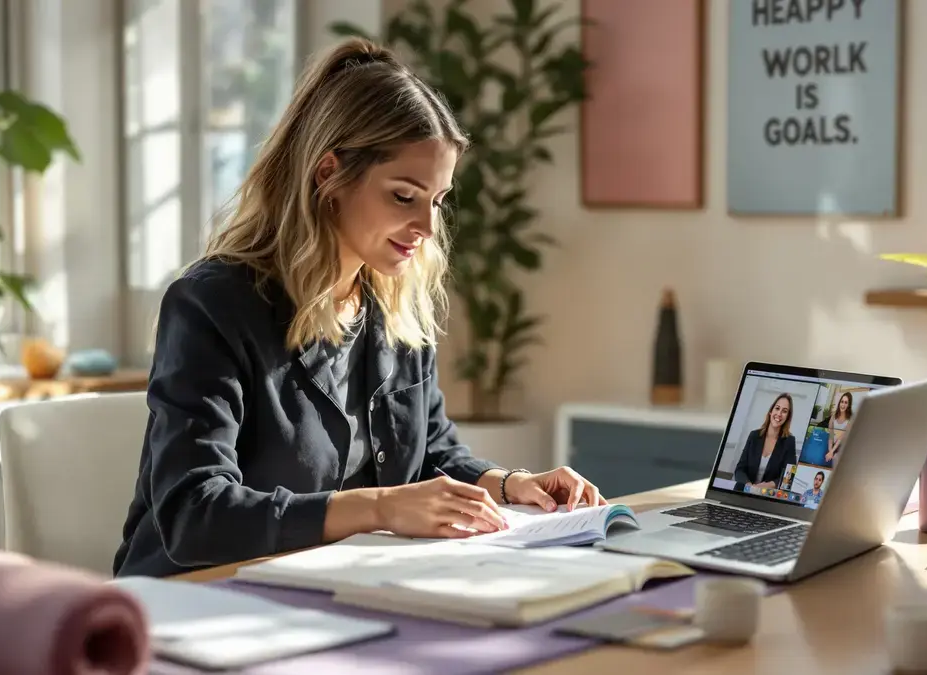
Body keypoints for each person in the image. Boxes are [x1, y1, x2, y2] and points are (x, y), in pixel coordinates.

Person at [112, 38, 606, 578]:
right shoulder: (211, 305)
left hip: (325, 590)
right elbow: (195, 515)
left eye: (436, 201)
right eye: (403, 196)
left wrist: (510, 484)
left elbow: (430, 451)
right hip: (193, 601)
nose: (427, 227)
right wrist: (379, 507)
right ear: (329, 174)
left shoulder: (392, 306)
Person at [733, 393, 798, 490]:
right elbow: (740, 470)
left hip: (768, 496)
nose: (779, 414)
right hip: (744, 491)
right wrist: (750, 487)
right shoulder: (754, 436)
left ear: (787, 417)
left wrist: (767, 485)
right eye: (777, 408)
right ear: (771, 412)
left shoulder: (790, 441)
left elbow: (788, 477)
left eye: (784, 411)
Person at [824, 391, 854, 464]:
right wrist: (830, 450)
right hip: (831, 444)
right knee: (826, 457)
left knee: (835, 459)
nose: (843, 405)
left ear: (849, 405)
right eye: (842, 402)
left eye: (846, 402)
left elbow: (841, 438)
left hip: (842, 445)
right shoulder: (834, 415)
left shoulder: (850, 419)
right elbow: (831, 435)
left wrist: (832, 452)